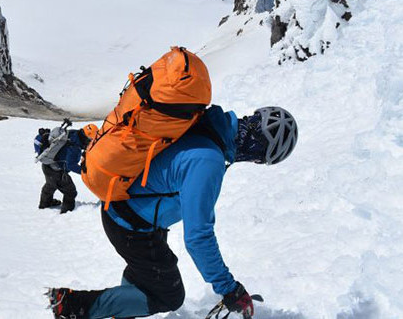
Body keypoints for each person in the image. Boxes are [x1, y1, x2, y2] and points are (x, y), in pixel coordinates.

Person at [48, 106, 298, 319]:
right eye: (259, 159)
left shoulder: (208, 127)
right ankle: (72, 305)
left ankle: (118, 308)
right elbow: (198, 237)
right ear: (258, 150)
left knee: (147, 278)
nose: (252, 161)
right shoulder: (208, 160)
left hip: (130, 216)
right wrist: (229, 289)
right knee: (168, 296)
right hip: (131, 226)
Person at [34, 122, 89, 214]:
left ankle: (45, 204)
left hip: (47, 165)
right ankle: (66, 212)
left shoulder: (73, 134)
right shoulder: (75, 148)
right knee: (70, 191)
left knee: (50, 185)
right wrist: (85, 172)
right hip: (56, 170)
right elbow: (71, 165)